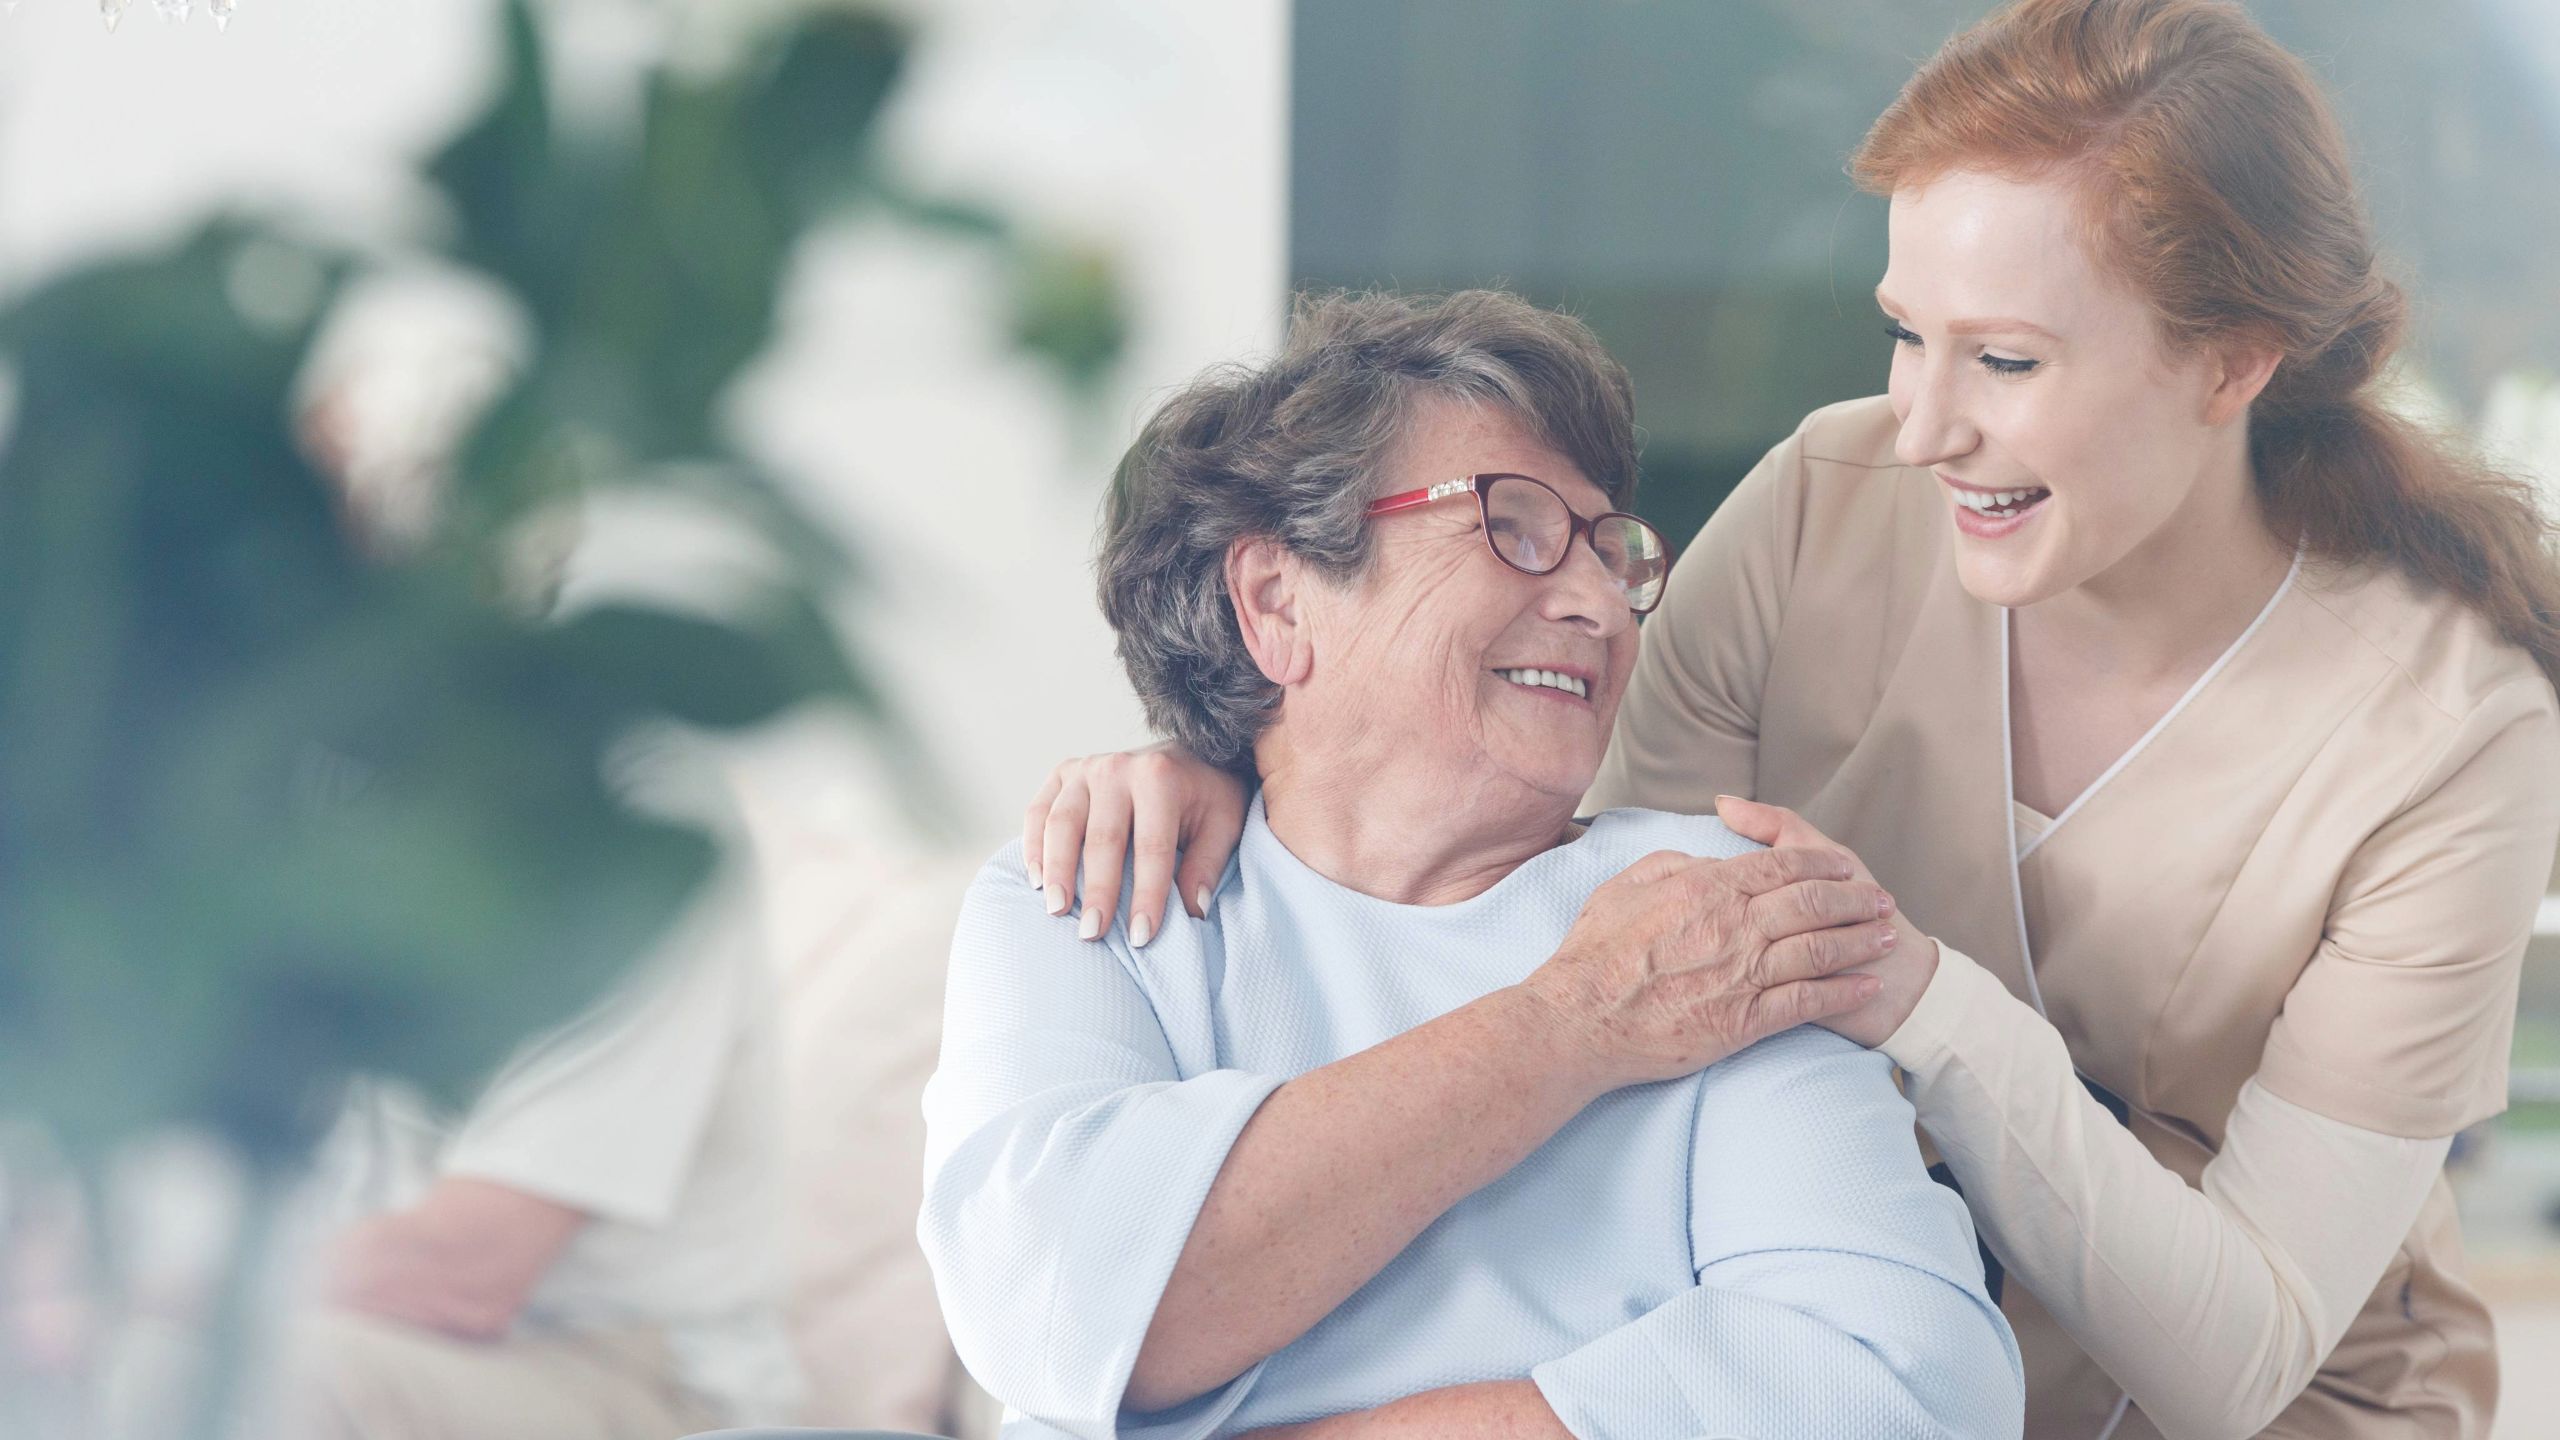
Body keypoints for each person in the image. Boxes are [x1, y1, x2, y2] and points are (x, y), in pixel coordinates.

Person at [1019, 3, 2560, 1437]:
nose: (1925, 423)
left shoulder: (2452, 736)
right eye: (1908, 331)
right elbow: (1553, 894)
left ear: (2231, 364)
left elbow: (2237, 1359)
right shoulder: (1835, 503)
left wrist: (1916, 997)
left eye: (2007, 361)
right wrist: (1242, 755)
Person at [920, 289, 2024, 1440]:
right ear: (1277, 602)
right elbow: (1054, 1311)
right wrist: (1578, 1019)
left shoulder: (1711, 913)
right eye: (1516, 524)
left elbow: (1904, 1388)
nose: (1599, 601)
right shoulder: (1100, 889)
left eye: (1612, 551)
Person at [281, 776, 805, 1440]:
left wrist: (165, 1300)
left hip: (639, 1377)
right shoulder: (315, 812)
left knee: (275, 1379)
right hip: (390, 1327)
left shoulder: (639, 833)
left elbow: (461, 1274)